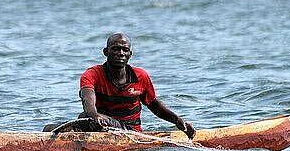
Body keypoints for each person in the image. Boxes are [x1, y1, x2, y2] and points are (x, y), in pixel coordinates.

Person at [44, 33, 196, 139]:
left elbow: (154, 105)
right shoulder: (92, 74)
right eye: (116, 49)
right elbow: (88, 100)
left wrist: (177, 120)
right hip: (98, 123)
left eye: (125, 50)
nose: (121, 53)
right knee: (49, 129)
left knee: (84, 120)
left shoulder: (140, 76)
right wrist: (94, 115)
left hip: (130, 132)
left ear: (130, 54)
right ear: (105, 52)